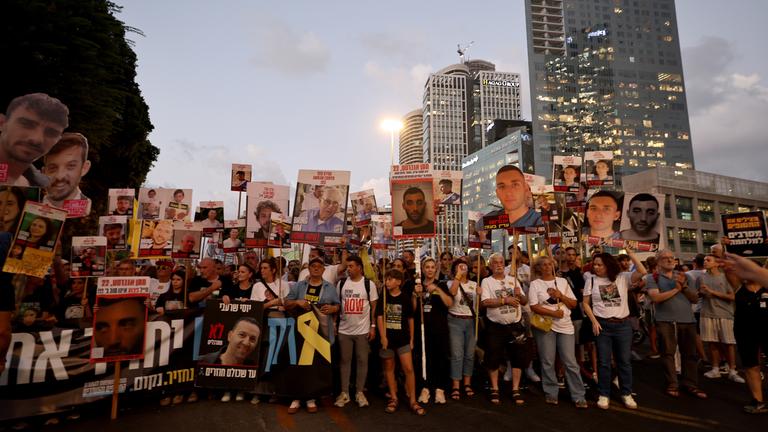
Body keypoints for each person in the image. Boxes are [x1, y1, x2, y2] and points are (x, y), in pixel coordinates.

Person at [582, 249, 646, 410]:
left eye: (599, 264)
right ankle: (604, 394)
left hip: (623, 325)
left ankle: (626, 393)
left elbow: (642, 271)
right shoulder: (591, 280)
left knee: (624, 361)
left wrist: (631, 253)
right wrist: (594, 321)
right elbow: (585, 303)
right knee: (603, 362)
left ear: (608, 265)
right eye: (594, 264)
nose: (596, 267)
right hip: (602, 325)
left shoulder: (622, 277)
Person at [646, 249, 707, 400]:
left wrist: (684, 286)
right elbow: (656, 298)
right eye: (665, 258)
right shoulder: (652, 277)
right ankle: (672, 384)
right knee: (668, 353)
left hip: (687, 320)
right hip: (665, 320)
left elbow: (694, 299)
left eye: (671, 258)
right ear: (658, 262)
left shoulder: (684, 277)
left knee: (690, 354)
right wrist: (675, 289)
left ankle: (691, 384)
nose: (669, 260)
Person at [529, 256, 588, 408]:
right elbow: (534, 306)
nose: (547, 267)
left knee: (570, 362)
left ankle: (578, 395)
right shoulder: (535, 284)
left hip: (565, 326)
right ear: (539, 268)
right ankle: (551, 392)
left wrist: (561, 295)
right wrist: (553, 314)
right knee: (547, 360)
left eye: (550, 264)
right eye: (544, 265)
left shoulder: (562, 282)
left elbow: (574, 303)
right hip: (546, 326)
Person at [284, 257, 340, 414]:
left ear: (323, 270)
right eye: (313, 266)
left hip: (320, 333)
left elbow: (337, 305)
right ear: (308, 269)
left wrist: (333, 309)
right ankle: (296, 398)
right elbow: (286, 303)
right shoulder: (299, 286)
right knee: (299, 364)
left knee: (315, 366)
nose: (316, 268)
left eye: (319, 266)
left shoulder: (330, 287)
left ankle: (311, 398)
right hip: (301, 332)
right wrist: (297, 302)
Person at [481, 252, 530, 406]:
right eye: (495, 262)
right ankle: (495, 388)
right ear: (490, 266)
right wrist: (504, 300)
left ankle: (515, 388)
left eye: (501, 262)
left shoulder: (513, 280)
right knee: (493, 357)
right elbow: (485, 302)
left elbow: (524, 300)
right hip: (496, 326)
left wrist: (519, 295)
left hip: (515, 324)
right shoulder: (486, 282)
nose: (499, 265)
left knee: (517, 357)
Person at [723, 255, 768, 414]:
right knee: (751, 365)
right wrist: (724, 250)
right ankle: (758, 400)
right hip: (745, 332)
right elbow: (727, 267)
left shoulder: (766, 286)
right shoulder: (737, 286)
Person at [377, 269, 425, 416]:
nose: (387, 282)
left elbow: (410, 319)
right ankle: (394, 397)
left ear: (398, 282)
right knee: (389, 368)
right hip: (388, 339)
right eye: (386, 279)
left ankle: (413, 400)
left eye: (390, 279)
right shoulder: (383, 297)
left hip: (403, 338)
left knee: (408, 369)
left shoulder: (405, 298)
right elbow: (379, 317)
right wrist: (383, 336)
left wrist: (411, 339)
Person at [334, 255, 378, 408]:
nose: (348, 269)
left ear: (360, 267)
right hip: (344, 331)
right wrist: (334, 323)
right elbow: (338, 305)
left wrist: (373, 326)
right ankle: (344, 392)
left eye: (351, 266)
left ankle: (359, 392)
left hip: (362, 330)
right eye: (347, 267)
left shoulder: (368, 284)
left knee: (362, 361)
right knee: (345, 361)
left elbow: (374, 307)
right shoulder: (341, 283)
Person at [0, 93, 69, 186]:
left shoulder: (48, 189)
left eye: (51, 133)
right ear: (2, 123)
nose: (37, 139)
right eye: (26, 124)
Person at [697, 254, 743, 383]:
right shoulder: (701, 277)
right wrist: (700, 293)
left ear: (717, 263)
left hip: (725, 314)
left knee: (728, 343)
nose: (705, 262)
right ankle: (715, 369)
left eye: (708, 260)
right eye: (704, 260)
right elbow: (698, 294)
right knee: (712, 342)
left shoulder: (725, 277)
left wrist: (712, 292)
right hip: (707, 313)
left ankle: (733, 370)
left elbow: (733, 297)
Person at [413, 258, 452, 405]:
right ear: (422, 269)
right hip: (423, 329)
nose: (429, 269)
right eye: (427, 267)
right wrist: (416, 295)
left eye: (432, 267)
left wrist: (437, 290)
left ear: (436, 269)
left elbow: (449, 303)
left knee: (440, 359)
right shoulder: (417, 285)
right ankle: (425, 387)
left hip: (440, 329)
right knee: (424, 359)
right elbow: (414, 309)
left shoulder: (442, 285)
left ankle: (440, 389)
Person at [446, 259, 480, 400]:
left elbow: (479, 307)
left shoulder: (474, 284)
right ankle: (456, 384)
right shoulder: (450, 283)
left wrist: (479, 294)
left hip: (470, 321)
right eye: (459, 267)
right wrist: (458, 276)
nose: (462, 269)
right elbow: (453, 293)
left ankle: (467, 383)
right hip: (455, 320)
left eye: (464, 267)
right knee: (457, 354)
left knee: (470, 354)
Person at [41, 132, 91, 214]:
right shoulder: (28, 209)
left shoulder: (92, 212)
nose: (60, 176)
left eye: (70, 166)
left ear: (84, 168)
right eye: (52, 168)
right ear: (43, 173)